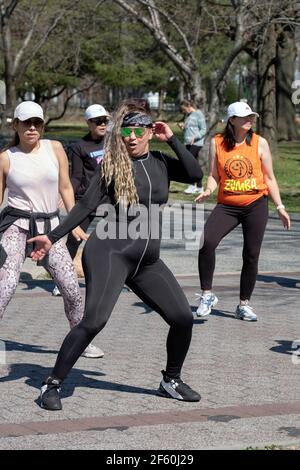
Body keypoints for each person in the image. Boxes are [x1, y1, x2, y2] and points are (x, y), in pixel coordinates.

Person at [28, 101, 203, 410]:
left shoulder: (161, 162)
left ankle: (170, 380)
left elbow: (194, 173)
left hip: (146, 261)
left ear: (150, 132)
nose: (132, 137)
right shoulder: (112, 166)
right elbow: (84, 207)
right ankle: (50, 385)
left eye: (138, 131)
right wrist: (53, 237)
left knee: (183, 318)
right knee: (94, 321)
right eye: (126, 132)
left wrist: (173, 139)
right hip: (110, 252)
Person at [0, 101, 103, 358]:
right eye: (26, 123)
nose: (32, 128)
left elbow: (66, 188)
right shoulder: (6, 158)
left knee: (71, 288)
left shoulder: (54, 148)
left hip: (51, 228)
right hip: (17, 225)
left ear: (43, 126)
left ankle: (81, 341)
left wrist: (76, 222)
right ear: (16, 125)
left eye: (37, 123)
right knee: (6, 284)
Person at [195, 101, 291, 321]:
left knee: (251, 254)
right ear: (232, 120)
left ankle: (244, 304)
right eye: (244, 117)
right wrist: (209, 190)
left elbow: (269, 177)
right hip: (227, 205)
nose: (250, 120)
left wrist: (280, 206)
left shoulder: (260, 143)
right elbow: (213, 175)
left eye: (251, 117)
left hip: (255, 204)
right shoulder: (217, 142)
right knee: (206, 242)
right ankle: (207, 295)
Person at [52, 104, 110, 297]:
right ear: (88, 123)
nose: (103, 124)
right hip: (86, 199)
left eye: (105, 120)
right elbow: (76, 176)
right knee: (73, 240)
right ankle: (63, 279)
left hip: (110, 199)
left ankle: (113, 277)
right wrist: (66, 195)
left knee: (113, 239)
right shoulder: (79, 147)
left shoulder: (114, 141)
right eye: (98, 121)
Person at [179, 99, 206, 195]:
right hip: (188, 143)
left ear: (189, 106)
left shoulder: (199, 114)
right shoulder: (189, 116)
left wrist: (195, 137)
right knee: (194, 164)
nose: (184, 111)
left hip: (196, 143)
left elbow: (203, 130)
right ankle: (199, 187)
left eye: (184, 109)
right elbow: (190, 129)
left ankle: (191, 185)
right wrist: (183, 127)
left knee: (189, 164)